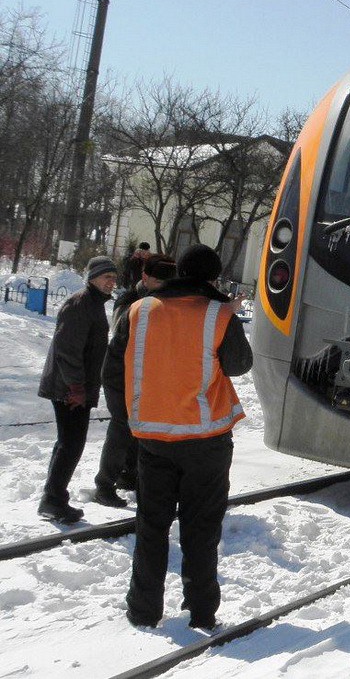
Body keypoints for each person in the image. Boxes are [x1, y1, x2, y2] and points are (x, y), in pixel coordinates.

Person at [102, 243, 252, 630]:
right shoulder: (219, 315)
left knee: (151, 526)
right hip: (205, 441)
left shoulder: (140, 310)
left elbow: (117, 364)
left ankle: (143, 609)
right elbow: (238, 365)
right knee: (201, 529)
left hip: (152, 437)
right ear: (213, 278)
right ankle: (201, 613)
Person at [37, 255, 119, 523]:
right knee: (71, 444)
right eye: (107, 277)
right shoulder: (80, 304)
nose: (112, 282)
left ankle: (53, 498)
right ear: (93, 277)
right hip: (69, 389)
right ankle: (53, 499)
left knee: (68, 443)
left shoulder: (92, 304)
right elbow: (67, 349)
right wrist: (75, 387)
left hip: (75, 386)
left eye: (114, 277)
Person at [93, 253, 177, 508]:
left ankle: (128, 476)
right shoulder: (131, 301)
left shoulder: (162, 299)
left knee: (137, 427)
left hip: (142, 374)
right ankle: (104, 485)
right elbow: (123, 336)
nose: (164, 287)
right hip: (120, 374)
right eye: (159, 281)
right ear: (145, 277)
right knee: (122, 427)